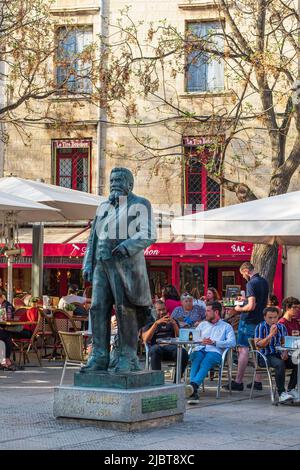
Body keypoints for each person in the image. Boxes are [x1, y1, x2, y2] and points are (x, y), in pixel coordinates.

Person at [82, 167, 156, 373]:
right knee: (97, 309)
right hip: (101, 265)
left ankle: (127, 355)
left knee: (125, 310)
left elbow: (149, 233)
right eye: (112, 179)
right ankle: (99, 355)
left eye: (119, 179)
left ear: (130, 184)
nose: (114, 182)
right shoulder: (103, 207)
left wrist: (127, 247)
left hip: (125, 267)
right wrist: (88, 263)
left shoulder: (140, 204)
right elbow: (92, 239)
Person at [223, 262, 269, 391]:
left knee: (243, 350)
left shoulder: (251, 283)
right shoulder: (264, 281)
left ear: (246, 271)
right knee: (257, 350)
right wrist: (244, 299)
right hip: (261, 319)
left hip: (249, 320)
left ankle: (238, 382)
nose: (243, 277)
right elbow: (260, 302)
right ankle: (258, 381)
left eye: (243, 274)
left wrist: (238, 307)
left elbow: (251, 306)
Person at [185, 301, 236, 404]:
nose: (205, 313)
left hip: (215, 352)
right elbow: (192, 339)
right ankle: (193, 390)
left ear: (216, 312)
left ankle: (193, 387)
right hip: (200, 348)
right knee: (196, 358)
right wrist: (200, 341)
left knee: (207, 360)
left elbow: (232, 343)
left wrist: (215, 342)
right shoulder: (202, 325)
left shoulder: (226, 326)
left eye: (208, 311)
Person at [255, 307, 298, 403]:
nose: (273, 320)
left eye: (275, 317)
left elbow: (285, 343)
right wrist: (270, 335)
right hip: (265, 356)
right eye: (270, 318)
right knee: (279, 364)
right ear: (265, 317)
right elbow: (258, 345)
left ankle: (291, 389)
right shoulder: (260, 327)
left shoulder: (281, 327)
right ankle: (281, 393)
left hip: (278, 354)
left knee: (297, 361)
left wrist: (285, 352)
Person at [142, 300, 189, 378]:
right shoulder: (149, 322)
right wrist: (156, 324)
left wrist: (174, 324)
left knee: (183, 352)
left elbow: (181, 338)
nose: (162, 312)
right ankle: (157, 379)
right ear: (154, 311)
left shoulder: (173, 321)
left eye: (163, 309)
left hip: (171, 348)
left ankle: (177, 380)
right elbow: (145, 339)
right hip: (156, 348)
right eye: (159, 310)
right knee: (156, 349)